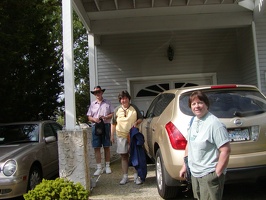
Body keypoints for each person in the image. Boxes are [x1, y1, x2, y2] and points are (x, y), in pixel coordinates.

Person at [179, 90, 231, 200]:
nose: (197, 106)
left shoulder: (214, 124)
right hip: (195, 173)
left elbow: (225, 150)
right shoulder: (193, 121)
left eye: (200, 103)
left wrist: (216, 174)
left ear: (206, 104)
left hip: (209, 174)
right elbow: (190, 144)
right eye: (193, 104)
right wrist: (185, 166)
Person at [110, 90, 143, 185]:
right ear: (120, 100)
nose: (124, 100)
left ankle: (136, 176)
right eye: (122, 99)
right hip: (121, 136)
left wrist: (136, 122)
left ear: (129, 99)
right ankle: (125, 177)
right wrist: (111, 135)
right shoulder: (117, 110)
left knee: (134, 156)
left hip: (133, 136)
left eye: (125, 98)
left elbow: (141, 118)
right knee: (124, 156)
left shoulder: (134, 108)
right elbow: (113, 123)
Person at [87, 86, 114, 176]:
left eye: (98, 92)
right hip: (96, 126)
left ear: (102, 92)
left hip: (106, 125)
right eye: (95, 93)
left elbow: (113, 113)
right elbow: (89, 116)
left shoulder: (108, 103)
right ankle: (99, 167)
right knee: (97, 147)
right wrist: (94, 119)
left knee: (106, 146)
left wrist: (106, 117)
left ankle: (107, 166)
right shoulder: (92, 104)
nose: (97, 94)